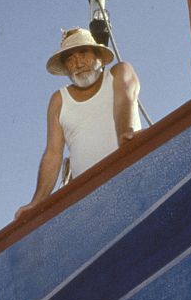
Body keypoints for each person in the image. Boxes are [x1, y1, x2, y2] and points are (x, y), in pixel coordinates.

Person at [14, 27, 141, 220]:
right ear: (65, 68)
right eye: (70, 59)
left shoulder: (118, 73)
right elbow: (53, 154)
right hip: (89, 201)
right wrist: (36, 202)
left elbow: (125, 101)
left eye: (83, 54)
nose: (78, 63)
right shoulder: (59, 100)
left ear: (98, 55)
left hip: (131, 177)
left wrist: (127, 135)